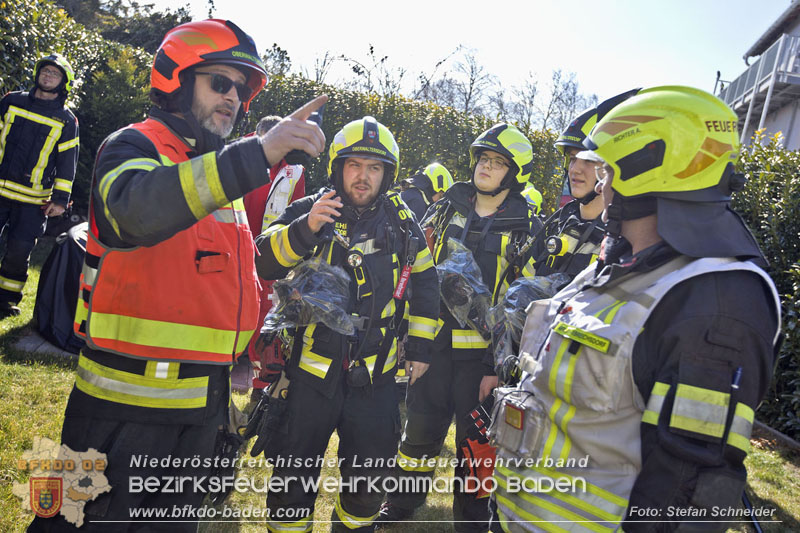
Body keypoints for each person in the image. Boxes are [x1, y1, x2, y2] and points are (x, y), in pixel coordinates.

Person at [30, 19, 326, 531]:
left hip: (198, 409)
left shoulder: (213, 173)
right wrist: (257, 155)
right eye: (220, 82)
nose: (234, 97)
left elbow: (241, 265)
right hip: (119, 410)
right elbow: (135, 212)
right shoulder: (134, 146)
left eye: (242, 88)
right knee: (67, 525)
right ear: (176, 79)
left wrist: (302, 234)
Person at [489, 86, 782, 532]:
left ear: (648, 170)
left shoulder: (715, 302)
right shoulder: (617, 263)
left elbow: (687, 492)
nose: (599, 181)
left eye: (607, 169)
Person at [255, 116, 439, 532]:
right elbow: (262, 259)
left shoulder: (403, 221)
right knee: (291, 485)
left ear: (387, 174)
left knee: (366, 488)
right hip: (309, 376)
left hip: (376, 380)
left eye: (374, 168)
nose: (363, 177)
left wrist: (421, 350)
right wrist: (306, 228)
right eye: (355, 165)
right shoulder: (312, 209)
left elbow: (427, 285)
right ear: (339, 168)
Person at [380, 123, 543, 531]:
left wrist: (498, 367)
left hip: (482, 362)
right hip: (434, 349)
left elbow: (525, 304)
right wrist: (410, 336)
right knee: (418, 432)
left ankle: (472, 523)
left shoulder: (528, 228)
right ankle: (399, 506)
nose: (486, 167)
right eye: (483, 159)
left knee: (476, 448)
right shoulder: (446, 207)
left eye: (497, 163)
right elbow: (417, 268)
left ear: (515, 172)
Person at [522, 89, 639, 281]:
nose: (575, 169)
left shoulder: (621, 240)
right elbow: (524, 282)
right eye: (572, 158)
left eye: (588, 160)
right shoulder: (557, 224)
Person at [0, 53, 79, 318]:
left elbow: (68, 162)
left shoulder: (67, 120)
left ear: (63, 83)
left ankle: (5, 300)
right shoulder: (11, 101)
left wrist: (60, 199)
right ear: (37, 74)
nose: (48, 76)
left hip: (33, 200)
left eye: (54, 74)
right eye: (45, 71)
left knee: (19, 250)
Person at [243, 115, 306, 406]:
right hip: (235, 253)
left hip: (269, 260)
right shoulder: (236, 160)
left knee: (264, 323)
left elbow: (297, 216)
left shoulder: (294, 171)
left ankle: (259, 388)